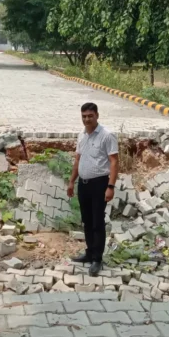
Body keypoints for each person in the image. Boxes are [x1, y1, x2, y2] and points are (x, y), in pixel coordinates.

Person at [67, 102, 119, 277]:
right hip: (84, 183)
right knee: (87, 220)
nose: (87, 119)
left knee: (97, 221)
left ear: (97, 115)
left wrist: (110, 186)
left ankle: (97, 258)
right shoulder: (81, 136)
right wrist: (71, 182)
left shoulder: (107, 136)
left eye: (90, 116)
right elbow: (77, 160)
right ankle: (89, 253)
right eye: (84, 116)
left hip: (100, 183)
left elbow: (114, 162)